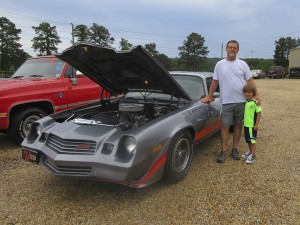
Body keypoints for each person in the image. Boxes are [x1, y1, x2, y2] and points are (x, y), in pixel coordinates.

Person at [201, 40, 260, 163]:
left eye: (234, 48)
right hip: (226, 101)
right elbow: (215, 82)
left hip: (241, 102)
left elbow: (250, 81)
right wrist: (209, 96)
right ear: (226, 49)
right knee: (225, 126)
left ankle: (235, 149)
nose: (232, 49)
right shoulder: (219, 64)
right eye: (230, 47)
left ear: (238, 50)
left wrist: (257, 95)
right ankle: (223, 151)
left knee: (238, 125)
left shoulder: (243, 64)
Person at [242, 84, 262, 164]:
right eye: (246, 92)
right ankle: (250, 152)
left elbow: (259, 113)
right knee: (248, 140)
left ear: (253, 93)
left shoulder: (255, 103)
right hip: (246, 125)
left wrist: (256, 124)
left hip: (251, 126)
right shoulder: (246, 102)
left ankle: (253, 156)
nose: (248, 94)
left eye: (250, 92)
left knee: (252, 141)